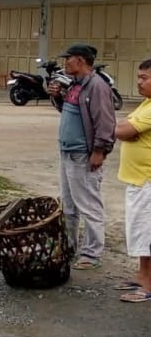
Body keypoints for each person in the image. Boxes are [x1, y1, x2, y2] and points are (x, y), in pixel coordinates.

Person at [47, 43, 116, 270]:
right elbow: (70, 113)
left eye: (70, 58)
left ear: (82, 61)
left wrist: (99, 151)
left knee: (88, 205)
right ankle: (69, 248)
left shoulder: (96, 86)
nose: (66, 62)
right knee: (69, 206)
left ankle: (92, 253)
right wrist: (57, 98)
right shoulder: (75, 86)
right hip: (67, 152)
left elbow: (105, 122)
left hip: (82, 155)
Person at [115, 59, 151, 302]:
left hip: (147, 179)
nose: (139, 82)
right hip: (138, 179)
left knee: (147, 234)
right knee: (139, 232)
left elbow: (123, 131)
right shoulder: (146, 104)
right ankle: (142, 275)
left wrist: (120, 129)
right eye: (138, 77)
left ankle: (148, 285)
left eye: (144, 78)